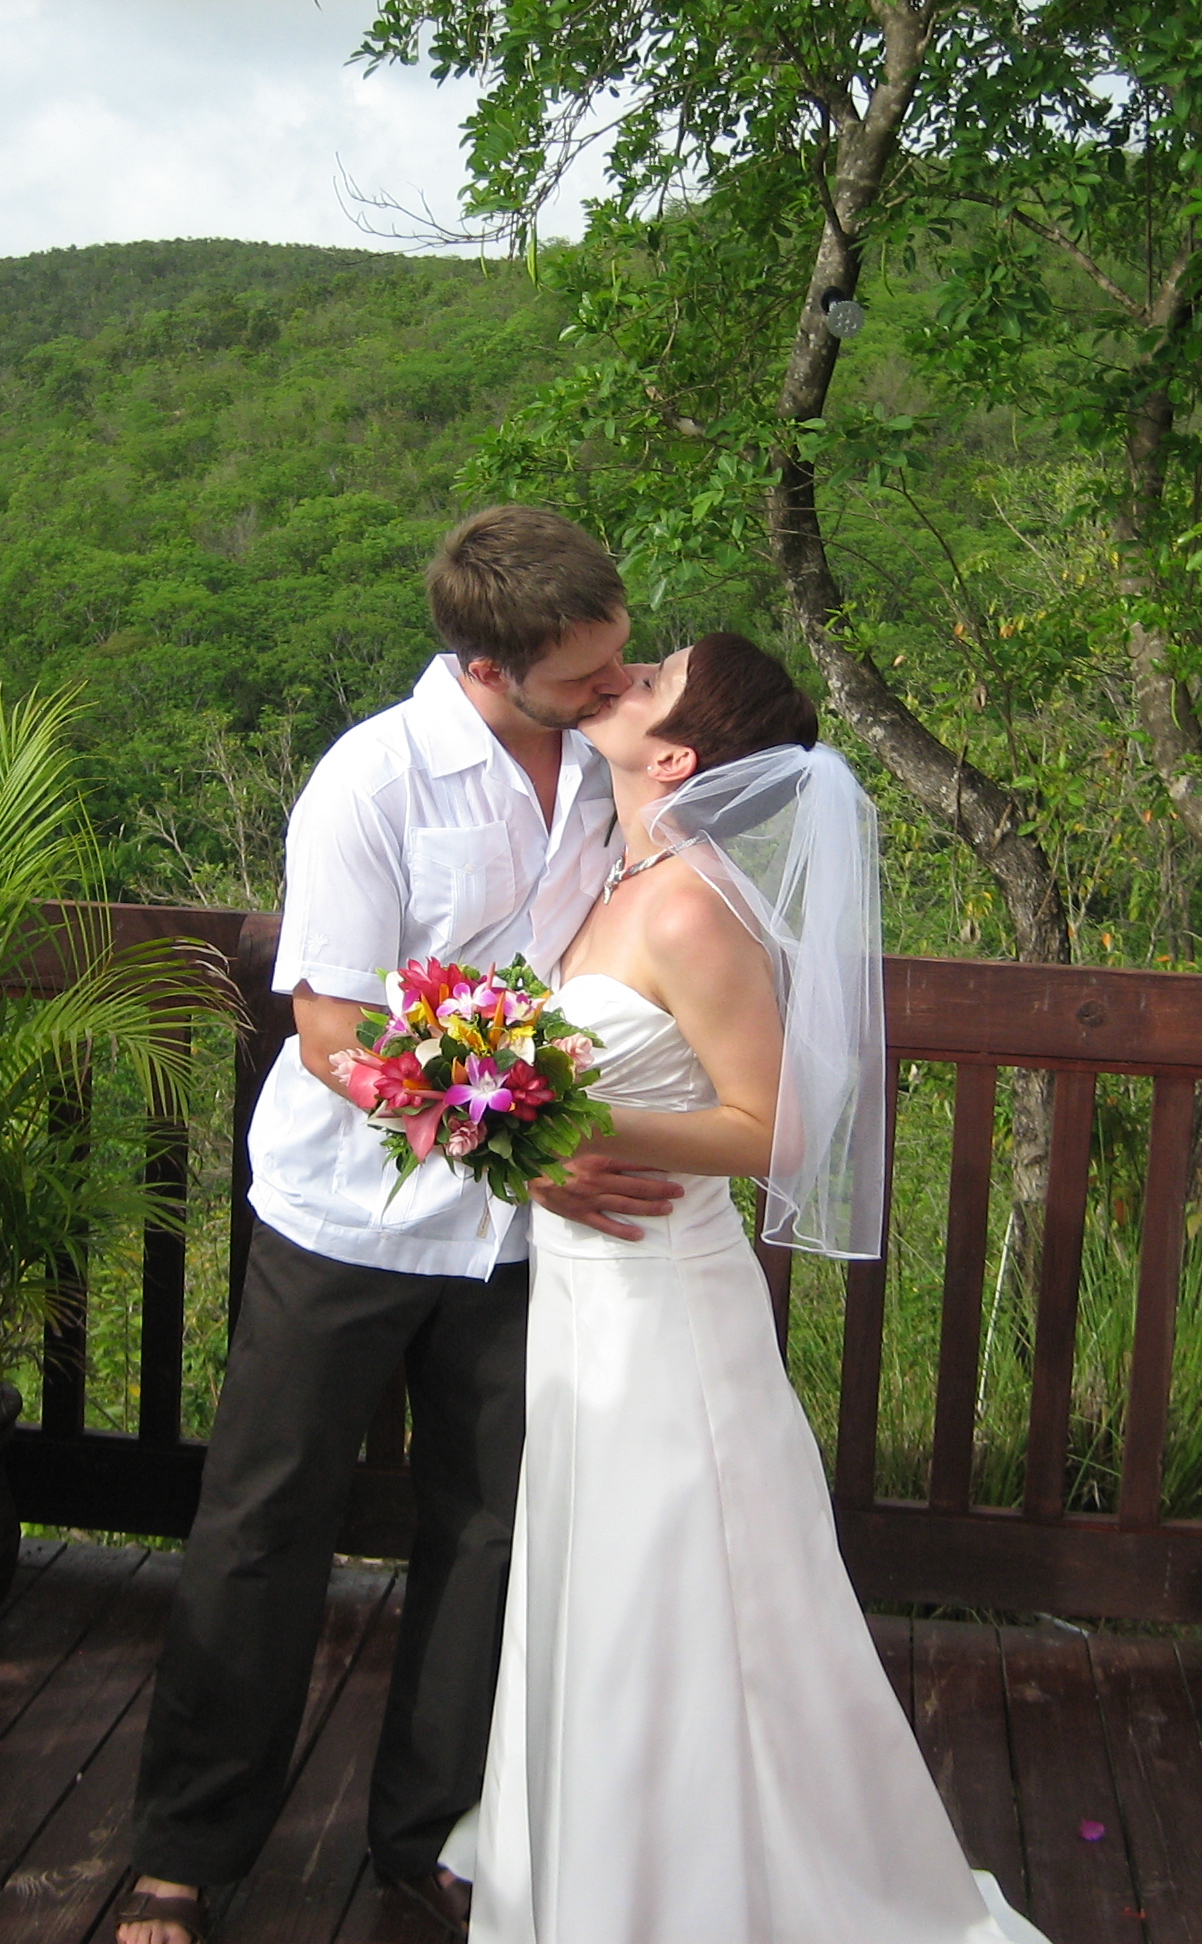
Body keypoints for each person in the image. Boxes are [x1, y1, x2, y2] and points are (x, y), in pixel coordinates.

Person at [116, 506, 681, 1944]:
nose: (617, 689)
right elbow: (333, 1038)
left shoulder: (604, 764)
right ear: (488, 667)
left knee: (488, 1533)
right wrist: (523, 1154)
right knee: (264, 1523)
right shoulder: (372, 781)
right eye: (586, 677)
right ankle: (185, 1853)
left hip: (515, 1246)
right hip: (351, 1220)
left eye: (621, 661)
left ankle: (433, 1835)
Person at [438, 632, 1050, 1943]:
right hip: (583, 1299)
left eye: (653, 678)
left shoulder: (688, 907)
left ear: (676, 758)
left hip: (665, 1308)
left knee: (670, 1592)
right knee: (593, 1581)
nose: (622, 677)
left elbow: (775, 1128)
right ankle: (585, 1867)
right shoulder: (610, 875)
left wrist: (564, 1120)